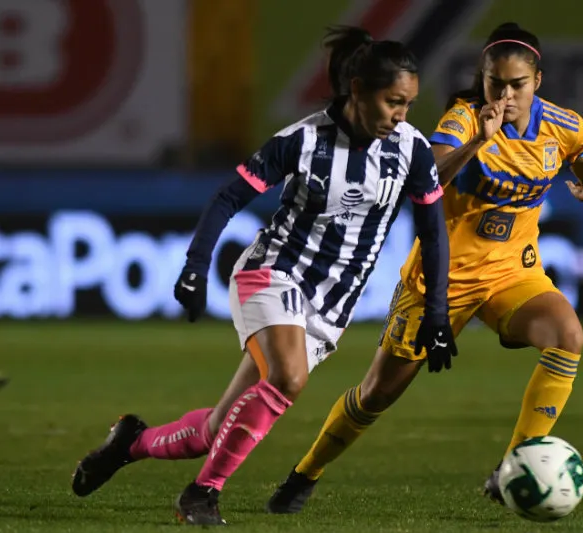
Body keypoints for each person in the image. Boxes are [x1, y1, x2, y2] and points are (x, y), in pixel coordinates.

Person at [70, 26, 457, 526]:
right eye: (392, 102)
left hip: (330, 306)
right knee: (288, 377)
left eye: (408, 103)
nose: (401, 114)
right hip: (271, 272)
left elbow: (434, 230)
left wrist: (439, 312)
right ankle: (202, 495)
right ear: (357, 89)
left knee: (215, 430)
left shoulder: (413, 150)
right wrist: (196, 265)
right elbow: (228, 197)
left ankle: (129, 443)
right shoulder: (303, 140)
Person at [266, 22, 583, 513]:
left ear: (538, 82)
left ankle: (512, 466)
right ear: (481, 81)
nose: (505, 95)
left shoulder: (563, 125)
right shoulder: (463, 120)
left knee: (568, 336)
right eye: (495, 83)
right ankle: (304, 473)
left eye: (517, 85)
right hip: (441, 281)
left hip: (513, 274)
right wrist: (479, 144)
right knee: (377, 395)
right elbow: (425, 179)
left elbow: (582, 154)